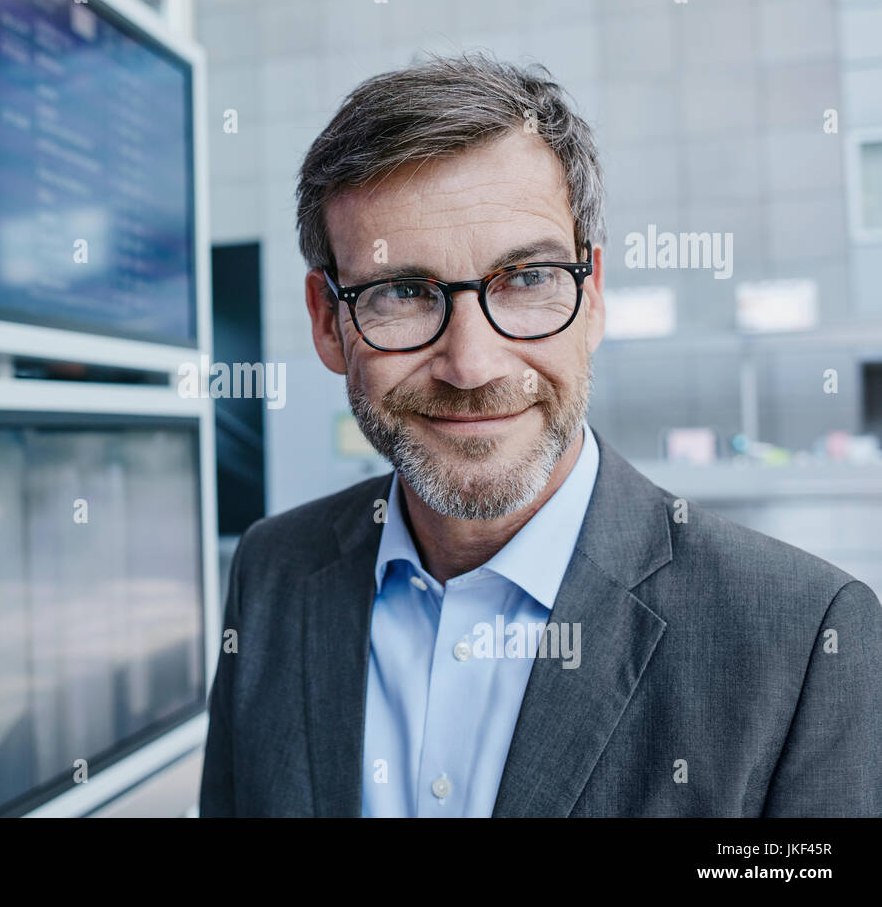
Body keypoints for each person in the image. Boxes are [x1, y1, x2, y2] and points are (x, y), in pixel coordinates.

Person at [198, 53, 882, 817]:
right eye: (402, 292)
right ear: (328, 323)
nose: (470, 365)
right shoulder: (272, 572)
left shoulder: (806, 639)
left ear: (592, 297)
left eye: (526, 279)